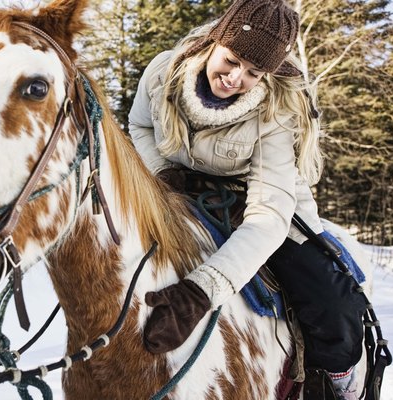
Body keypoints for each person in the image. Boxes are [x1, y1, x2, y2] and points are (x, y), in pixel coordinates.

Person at [127, 0, 368, 398]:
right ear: (216, 39)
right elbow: (139, 124)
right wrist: (162, 174)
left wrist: (200, 292)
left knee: (334, 307)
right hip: (175, 189)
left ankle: (339, 384)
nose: (236, 78)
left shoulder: (276, 112)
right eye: (232, 60)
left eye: (254, 72)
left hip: (257, 201)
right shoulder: (162, 71)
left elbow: (268, 216)